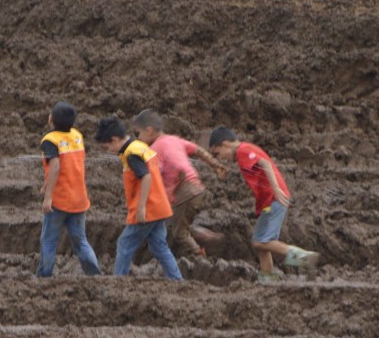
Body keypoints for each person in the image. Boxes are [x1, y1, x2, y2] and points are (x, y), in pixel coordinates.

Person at [209, 127, 318, 280]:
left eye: (217, 153)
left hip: (273, 198)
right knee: (262, 244)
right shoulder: (244, 151)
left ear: (225, 144)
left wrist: (276, 189)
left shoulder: (243, 151)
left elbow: (265, 164)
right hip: (267, 201)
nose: (220, 158)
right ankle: (268, 280)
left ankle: (305, 258)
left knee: (260, 242)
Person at [94, 116, 181, 281]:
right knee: (159, 247)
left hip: (148, 209)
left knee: (124, 243)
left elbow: (146, 177)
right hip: (160, 206)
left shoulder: (131, 154)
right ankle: (176, 279)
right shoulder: (140, 146)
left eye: (107, 147)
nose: (108, 151)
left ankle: (118, 281)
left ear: (114, 140)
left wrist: (141, 207)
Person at [132, 109, 224, 258]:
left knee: (180, 234)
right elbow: (198, 150)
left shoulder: (154, 150)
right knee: (180, 223)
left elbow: (155, 176)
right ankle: (209, 237)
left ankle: (200, 256)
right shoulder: (174, 140)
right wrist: (215, 164)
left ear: (148, 131)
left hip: (184, 192)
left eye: (138, 134)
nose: (138, 139)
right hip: (196, 188)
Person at [36, 101, 101, 277]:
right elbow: (70, 165)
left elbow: (56, 166)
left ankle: (44, 277)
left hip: (59, 200)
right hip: (79, 199)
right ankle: (95, 275)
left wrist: (48, 197)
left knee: (48, 241)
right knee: (81, 242)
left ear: (51, 119)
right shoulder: (77, 136)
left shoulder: (50, 140)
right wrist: (46, 183)